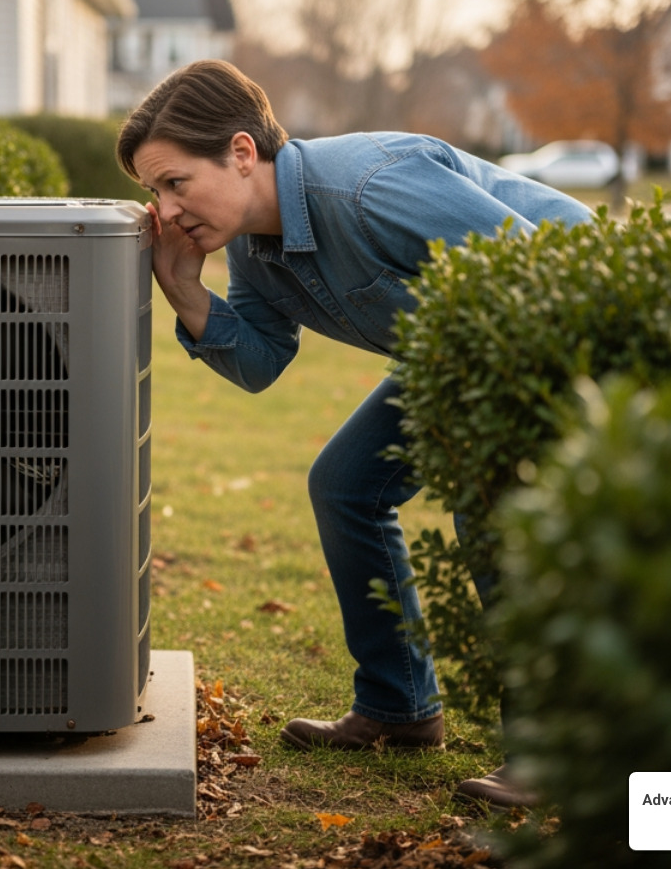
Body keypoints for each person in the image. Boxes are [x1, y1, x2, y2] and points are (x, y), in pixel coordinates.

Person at [117, 60, 593, 808]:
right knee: (346, 486)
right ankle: (400, 708)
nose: (166, 211)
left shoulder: (369, 188)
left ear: (241, 153)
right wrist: (183, 288)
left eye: (175, 183)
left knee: (491, 504)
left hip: (565, 330)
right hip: (458, 353)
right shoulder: (253, 243)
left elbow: (541, 271)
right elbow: (260, 364)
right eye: (155, 193)